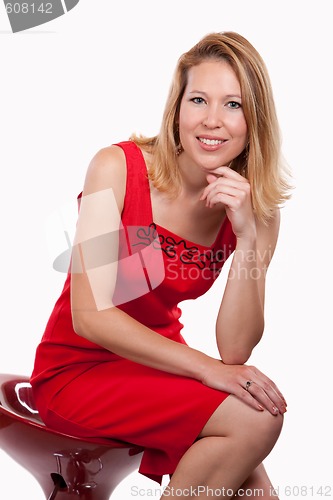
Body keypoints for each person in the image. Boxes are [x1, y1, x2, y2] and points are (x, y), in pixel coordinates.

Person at [31, 31, 291, 498]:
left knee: (256, 490)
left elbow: (234, 351)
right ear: (177, 108)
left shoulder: (257, 211)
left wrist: (249, 235)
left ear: (255, 121)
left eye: (233, 105)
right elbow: (90, 317)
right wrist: (206, 370)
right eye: (198, 100)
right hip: (78, 371)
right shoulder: (117, 168)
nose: (212, 121)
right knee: (253, 420)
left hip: (161, 369)